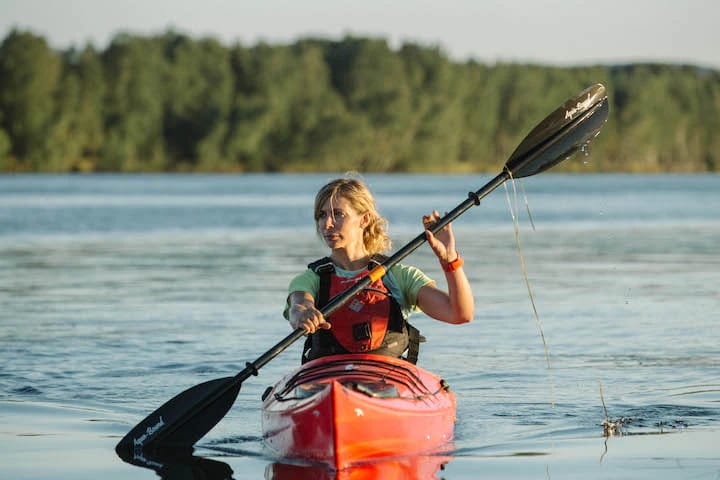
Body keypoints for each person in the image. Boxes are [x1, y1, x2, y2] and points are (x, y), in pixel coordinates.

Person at [284, 177, 474, 364]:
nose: (326, 224)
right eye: (322, 215)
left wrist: (449, 260)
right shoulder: (311, 279)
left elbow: (459, 314)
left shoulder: (398, 276)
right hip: (328, 381)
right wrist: (303, 313)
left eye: (338, 214)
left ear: (364, 219)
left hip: (385, 381)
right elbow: (299, 305)